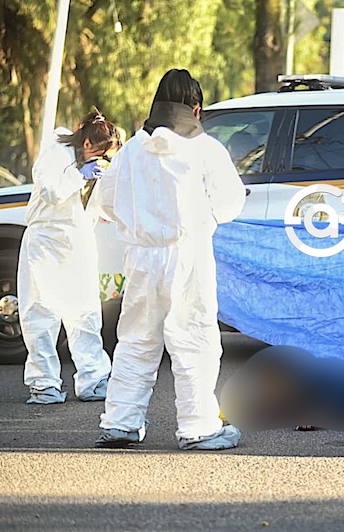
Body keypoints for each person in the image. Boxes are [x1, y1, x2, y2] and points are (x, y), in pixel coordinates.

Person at [94, 69, 247, 449]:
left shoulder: (130, 149)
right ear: (195, 108)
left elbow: (106, 201)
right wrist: (203, 217)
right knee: (194, 339)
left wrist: (140, 224)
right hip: (188, 254)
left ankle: (120, 422)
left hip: (142, 258)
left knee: (134, 341)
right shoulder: (205, 148)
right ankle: (199, 428)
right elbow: (229, 203)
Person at [20, 111, 122, 404]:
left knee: (86, 312)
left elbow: (102, 204)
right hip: (45, 241)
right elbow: (52, 192)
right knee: (41, 311)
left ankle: (93, 377)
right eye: (100, 154)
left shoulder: (96, 164)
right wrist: (80, 176)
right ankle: (44, 383)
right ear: (87, 142)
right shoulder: (55, 153)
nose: (101, 161)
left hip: (78, 240)